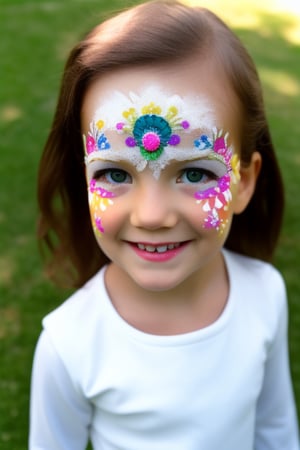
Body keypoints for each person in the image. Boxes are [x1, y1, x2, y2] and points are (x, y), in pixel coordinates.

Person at [29, 1, 300, 449]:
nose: (152, 216)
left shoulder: (265, 295)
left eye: (195, 173)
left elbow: (276, 429)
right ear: (85, 179)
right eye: (114, 174)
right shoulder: (69, 345)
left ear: (243, 183)